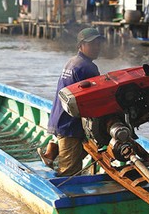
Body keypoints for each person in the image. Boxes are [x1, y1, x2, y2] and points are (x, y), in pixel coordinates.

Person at [40, 27, 103, 176]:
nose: (96, 47)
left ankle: (52, 152)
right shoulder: (87, 68)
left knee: (75, 156)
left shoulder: (72, 62)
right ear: (80, 45)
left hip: (60, 118)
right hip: (70, 125)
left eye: (98, 43)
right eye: (92, 44)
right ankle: (66, 195)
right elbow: (95, 99)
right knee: (69, 172)